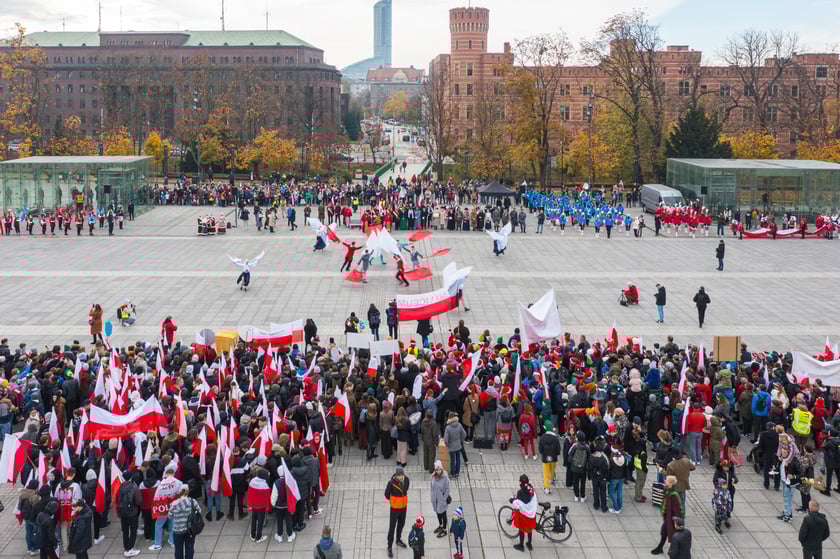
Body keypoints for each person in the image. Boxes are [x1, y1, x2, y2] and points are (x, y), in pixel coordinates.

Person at [651, 476, 683, 555]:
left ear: (671, 483)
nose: (665, 481)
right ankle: (661, 548)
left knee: (669, 533)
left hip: (671, 518)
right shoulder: (668, 491)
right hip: (667, 516)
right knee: (664, 532)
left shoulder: (674, 495)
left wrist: (676, 521)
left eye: (667, 480)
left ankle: (665, 549)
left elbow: (677, 510)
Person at [384, 465, 410, 558]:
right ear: (396, 475)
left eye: (402, 475)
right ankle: (389, 547)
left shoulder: (406, 480)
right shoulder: (391, 483)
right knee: (392, 528)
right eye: (399, 475)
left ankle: (398, 539)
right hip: (395, 509)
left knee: (401, 525)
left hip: (403, 507)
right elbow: (386, 495)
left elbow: (406, 489)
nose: (401, 477)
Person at [168, 486, 199, 559]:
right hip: (190, 530)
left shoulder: (173, 504)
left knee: (178, 550)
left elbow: (170, 516)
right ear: (187, 492)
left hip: (177, 531)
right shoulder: (192, 501)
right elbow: (198, 511)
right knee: (189, 548)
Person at [116, 471, 143, 557]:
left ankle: (126, 547)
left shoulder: (120, 487)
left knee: (125, 531)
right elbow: (138, 501)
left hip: (123, 512)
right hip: (132, 512)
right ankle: (130, 549)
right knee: (133, 531)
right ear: (130, 477)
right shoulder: (134, 487)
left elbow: (117, 500)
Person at [510, 474, 537, 552]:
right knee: (529, 529)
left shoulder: (520, 492)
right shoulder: (530, 488)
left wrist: (512, 500)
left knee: (521, 529)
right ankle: (529, 543)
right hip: (532, 514)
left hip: (524, 515)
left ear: (521, 483)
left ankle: (521, 545)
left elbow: (518, 504)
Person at [538, 420, 561, 494]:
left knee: (546, 472)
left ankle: (547, 487)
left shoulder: (542, 437)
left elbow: (540, 449)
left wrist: (543, 453)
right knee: (552, 470)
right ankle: (552, 479)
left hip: (545, 458)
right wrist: (556, 454)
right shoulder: (555, 438)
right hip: (553, 457)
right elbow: (558, 449)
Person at [429, 460, 450, 537]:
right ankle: (440, 525)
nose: (438, 471)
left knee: (443, 514)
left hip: (441, 500)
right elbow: (431, 486)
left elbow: (448, 489)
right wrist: (431, 495)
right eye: (436, 469)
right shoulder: (433, 476)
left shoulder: (445, 478)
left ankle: (444, 529)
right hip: (435, 499)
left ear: (442, 469)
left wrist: (444, 499)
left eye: (439, 469)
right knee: (438, 513)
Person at [443, 411, 467, 480]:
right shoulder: (459, 425)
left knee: (452, 460)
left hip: (451, 447)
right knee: (458, 459)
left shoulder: (448, 428)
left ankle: (453, 474)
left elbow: (446, 440)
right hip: (458, 445)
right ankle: (457, 473)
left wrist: (448, 445)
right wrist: (460, 440)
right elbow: (464, 434)